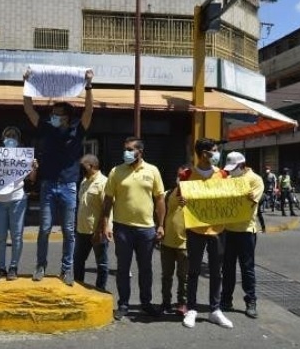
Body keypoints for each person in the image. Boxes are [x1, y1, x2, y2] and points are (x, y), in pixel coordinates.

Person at [23, 69, 94, 286]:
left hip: (69, 186)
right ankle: (40, 265)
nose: (52, 116)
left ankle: (66, 270)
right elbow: (28, 109)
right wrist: (26, 84)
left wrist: (89, 85)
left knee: (68, 231)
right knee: (44, 228)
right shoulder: (46, 128)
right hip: (48, 185)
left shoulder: (76, 129)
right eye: (52, 112)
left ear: (66, 116)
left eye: (56, 113)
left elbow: (89, 110)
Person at [98, 137, 166, 320]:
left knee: (146, 269)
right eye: (125, 149)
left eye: (130, 149)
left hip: (146, 230)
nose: (126, 153)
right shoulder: (116, 171)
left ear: (140, 152)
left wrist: (161, 225)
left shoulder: (152, 171)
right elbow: (108, 200)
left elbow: (160, 199)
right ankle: (123, 304)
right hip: (122, 229)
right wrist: (106, 224)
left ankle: (146, 303)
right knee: (123, 269)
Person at [180, 138, 233, 329]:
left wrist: (248, 198)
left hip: (218, 230)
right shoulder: (187, 175)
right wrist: (182, 202)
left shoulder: (223, 175)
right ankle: (192, 308)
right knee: (193, 270)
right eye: (215, 151)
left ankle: (215, 310)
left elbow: (232, 199)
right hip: (195, 230)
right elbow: (180, 198)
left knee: (216, 272)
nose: (218, 154)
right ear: (204, 154)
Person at [0, 126, 38, 282]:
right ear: (3, 139)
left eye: (13, 136)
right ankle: (0, 268)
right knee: (0, 237)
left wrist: (34, 167)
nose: (10, 138)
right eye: (7, 136)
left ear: (18, 140)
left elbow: (31, 179)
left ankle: (13, 267)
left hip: (17, 198)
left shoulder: (24, 156)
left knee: (17, 236)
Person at [221, 151, 264, 319]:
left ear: (242, 165)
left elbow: (253, 203)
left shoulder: (255, 180)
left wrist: (249, 197)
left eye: (234, 168)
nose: (231, 171)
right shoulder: (228, 180)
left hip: (246, 231)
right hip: (228, 230)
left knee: (247, 269)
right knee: (227, 268)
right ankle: (226, 300)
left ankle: (251, 301)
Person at [73, 154, 110, 291]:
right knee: (78, 262)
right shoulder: (84, 181)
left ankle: (100, 290)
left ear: (91, 166)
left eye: (83, 166)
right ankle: (78, 288)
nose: (80, 168)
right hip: (82, 230)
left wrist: (100, 230)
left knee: (101, 264)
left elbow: (105, 210)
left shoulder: (104, 182)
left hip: (97, 231)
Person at [160, 168, 189, 316]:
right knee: (166, 276)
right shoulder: (168, 194)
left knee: (184, 277)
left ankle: (182, 303)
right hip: (167, 243)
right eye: (178, 174)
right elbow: (160, 213)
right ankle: (166, 302)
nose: (180, 177)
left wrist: (190, 204)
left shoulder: (195, 195)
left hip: (185, 244)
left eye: (183, 175)